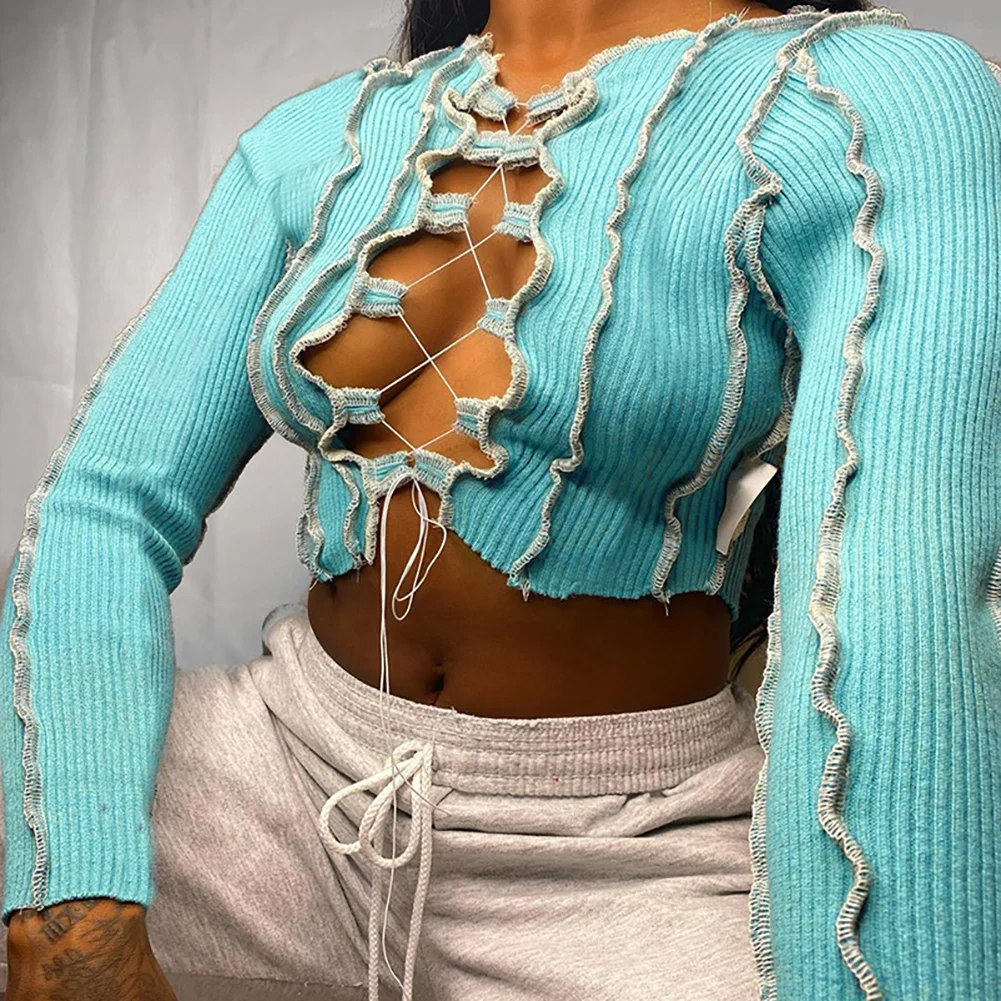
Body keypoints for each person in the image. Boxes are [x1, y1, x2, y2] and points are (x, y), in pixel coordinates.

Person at [2, 0, 1000, 997]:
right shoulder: (323, 136)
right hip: (286, 769)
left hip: (629, 849)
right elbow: (106, 504)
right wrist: (70, 910)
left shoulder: (865, 101)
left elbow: (895, 604)